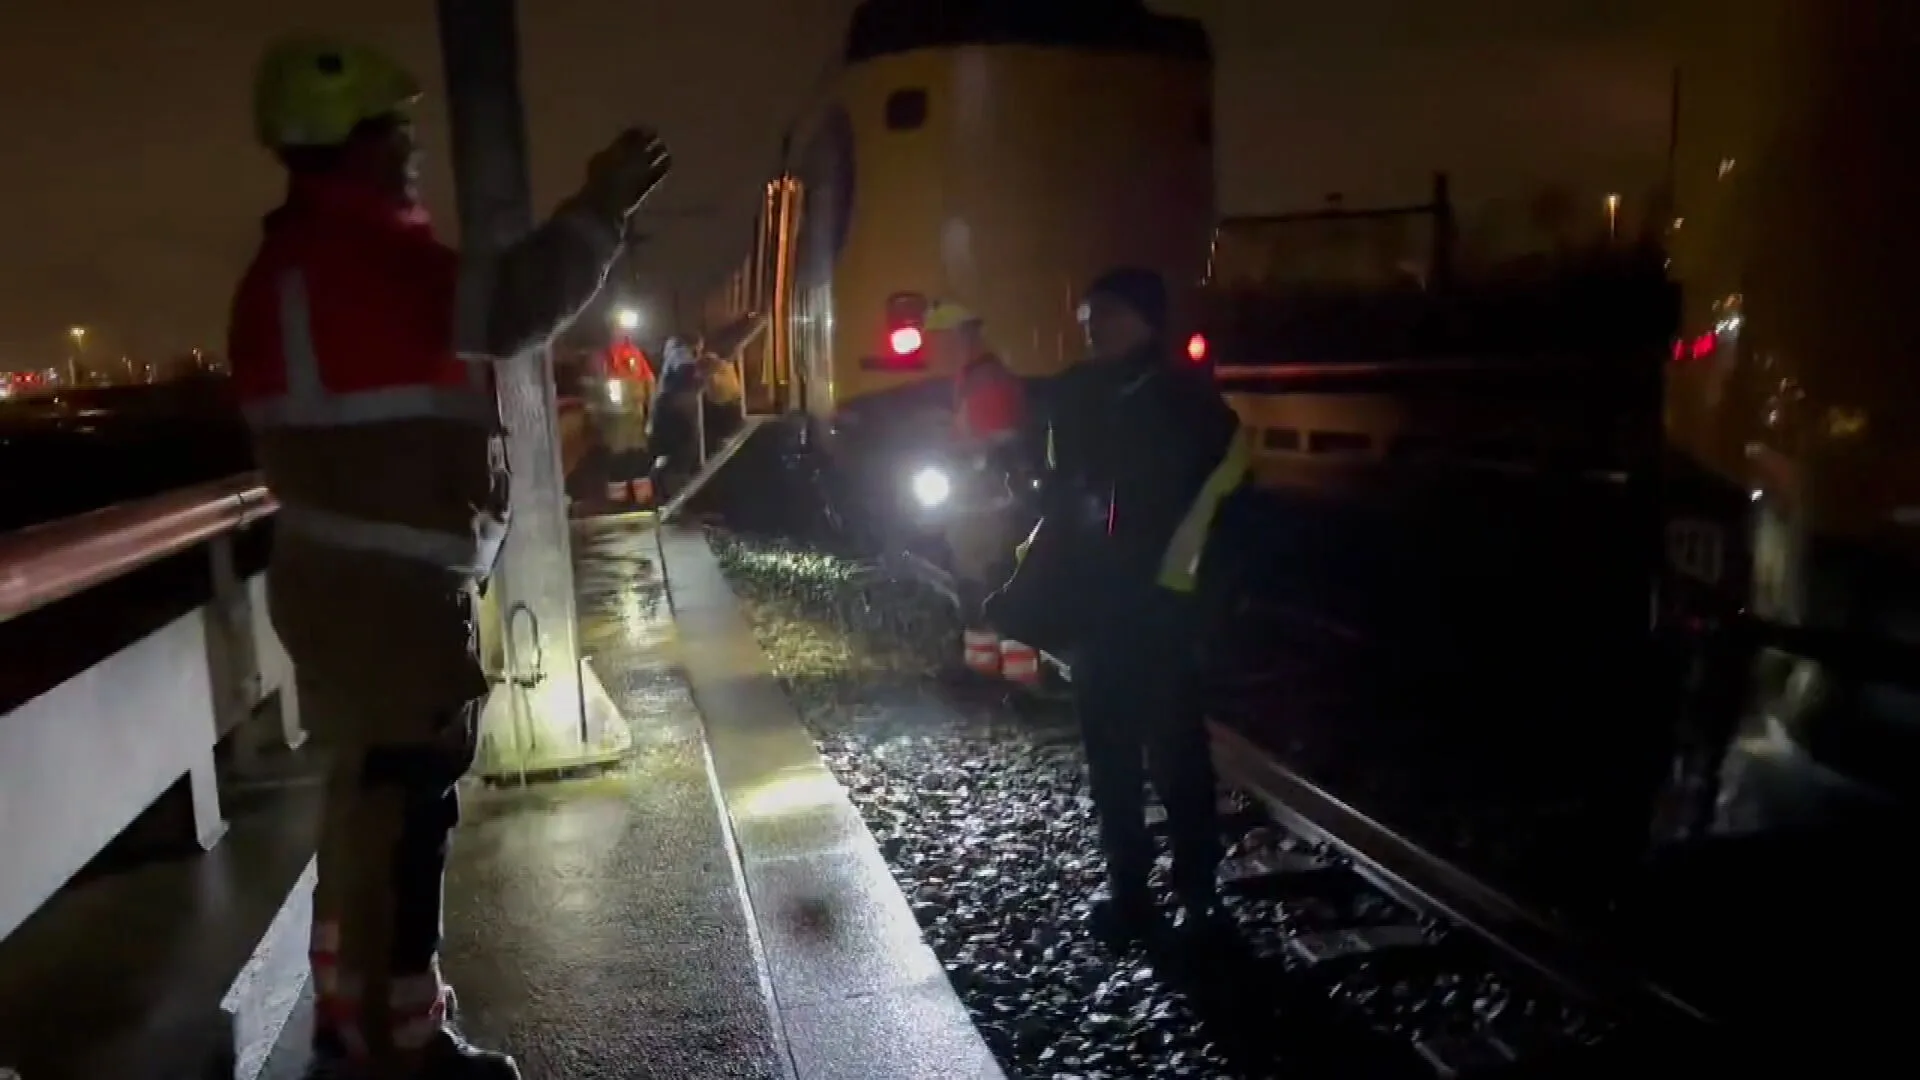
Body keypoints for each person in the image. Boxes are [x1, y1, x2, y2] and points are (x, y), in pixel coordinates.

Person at [229, 35, 669, 1078]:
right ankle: (401, 1053)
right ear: (351, 142)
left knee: (368, 815)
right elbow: (514, 306)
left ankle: (356, 1029)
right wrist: (600, 207)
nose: (413, 152)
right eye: (398, 132)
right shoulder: (363, 256)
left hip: (346, 580)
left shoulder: (287, 266)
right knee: (404, 815)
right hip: (388, 593)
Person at [988, 267, 1250, 943]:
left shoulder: (1188, 405)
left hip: (1159, 609)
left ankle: (1194, 893)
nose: (1090, 325)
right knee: (1118, 757)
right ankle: (1136, 889)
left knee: (1170, 756)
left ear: (1143, 318)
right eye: (1086, 316)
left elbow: (1216, 511)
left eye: (1103, 313)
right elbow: (1059, 498)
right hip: (1112, 609)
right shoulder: (1090, 395)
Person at [925, 301, 1038, 684]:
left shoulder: (983, 378)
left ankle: (1007, 674)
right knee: (982, 578)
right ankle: (990, 670)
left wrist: (958, 450)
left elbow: (999, 443)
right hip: (981, 498)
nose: (933, 348)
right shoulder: (974, 374)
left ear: (961, 335)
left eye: (938, 339)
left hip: (985, 502)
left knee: (985, 580)